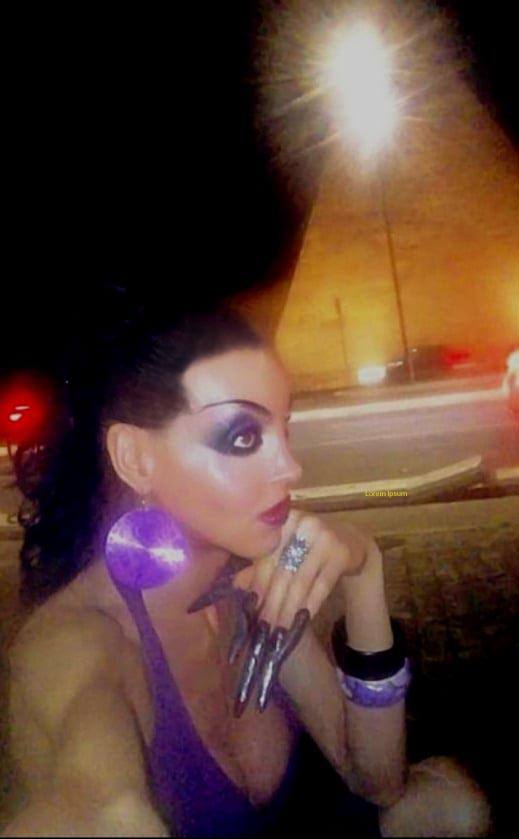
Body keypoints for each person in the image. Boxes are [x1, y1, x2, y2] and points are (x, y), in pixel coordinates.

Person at [3, 300, 491, 837]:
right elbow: (102, 803)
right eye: (244, 437)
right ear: (136, 459)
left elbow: (377, 781)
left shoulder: (251, 582)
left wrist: (363, 572)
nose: (291, 467)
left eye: (285, 429)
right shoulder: (77, 642)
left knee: (453, 804)